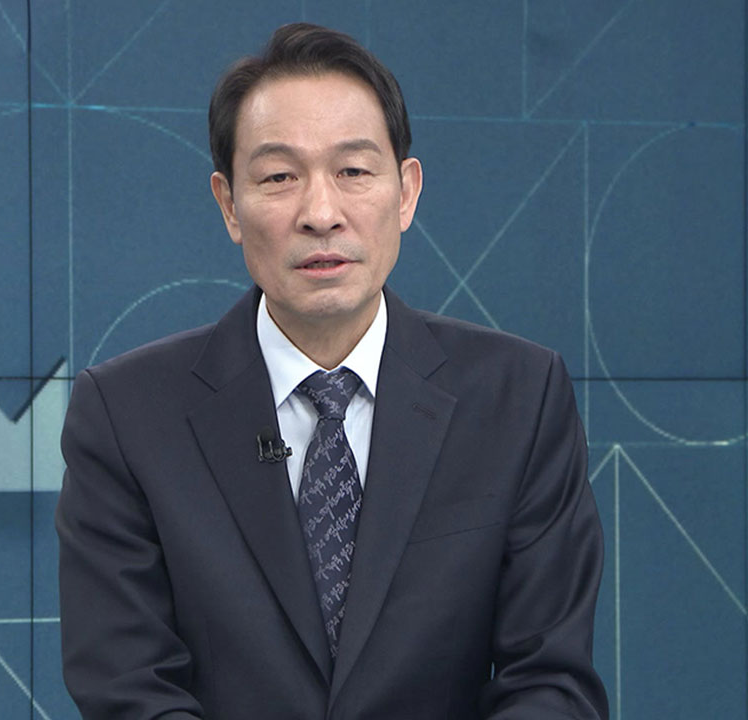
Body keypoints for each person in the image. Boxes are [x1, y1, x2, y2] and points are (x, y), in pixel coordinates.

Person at [56, 22, 609, 720]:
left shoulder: (519, 398)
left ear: (405, 193)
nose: (321, 213)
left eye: (353, 171)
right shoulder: (126, 415)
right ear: (229, 204)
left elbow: (550, 682)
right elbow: (129, 690)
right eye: (279, 177)